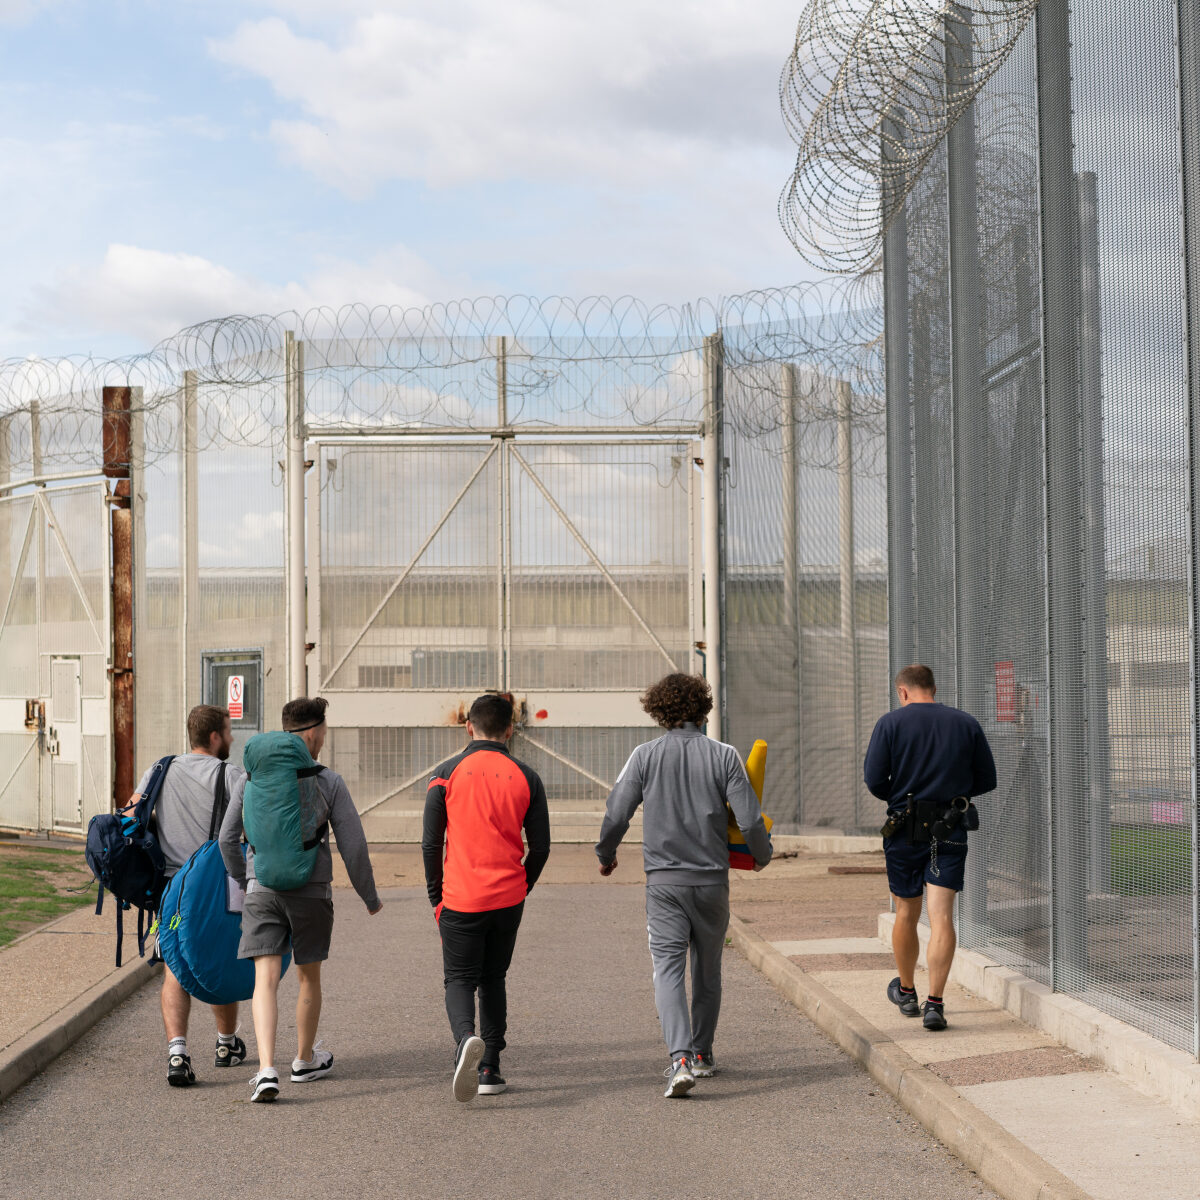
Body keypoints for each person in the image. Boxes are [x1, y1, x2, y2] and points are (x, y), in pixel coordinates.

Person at [595, 672, 772, 1098]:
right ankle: (703, 1053)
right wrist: (761, 855)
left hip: (664, 884)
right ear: (703, 709)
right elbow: (748, 819)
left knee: (668, 971)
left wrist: (606, 853)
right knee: (707, 970)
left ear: (659, 710)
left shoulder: (644, 755)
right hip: (712, 882)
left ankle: (679, 1060)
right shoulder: (725, 756)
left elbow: (617, 813)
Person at [219, 696, 382, 1103]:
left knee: (264, 980)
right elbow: (354, 846)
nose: (323, 739)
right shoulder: (328, 781)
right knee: (308, 977)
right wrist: (369, 896)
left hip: (262, 889)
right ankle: (305, 1060)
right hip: (311, 892)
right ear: (313, 732)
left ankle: (265, 1069)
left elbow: (226, 838)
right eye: (323, 732)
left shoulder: (250, 778)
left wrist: (246, 878)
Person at [422, 693, 550, 1103]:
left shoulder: (446, 774)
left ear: (468, 727)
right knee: (494, 978)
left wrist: (434, 895)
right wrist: (522, 886)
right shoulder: (527, 776)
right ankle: (491, 1067)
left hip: (461, 898)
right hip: (508, 898)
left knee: (459, 978)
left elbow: (430, 844)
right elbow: (542, 847)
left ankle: (465, 1043)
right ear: (510, 730)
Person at [864, 664, 997, 1031]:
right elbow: (987, 779)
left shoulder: (890, 724)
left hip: (904, 830)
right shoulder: (965, 723)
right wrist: (953, 793)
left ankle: (906, 992)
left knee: (906, 913)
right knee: (942, 918)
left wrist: (902, 796)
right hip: (949, 831)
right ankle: (935, 1004)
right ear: (933, 689)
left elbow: (875, 780)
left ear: (902, 692)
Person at [126, 704, 246, 1087]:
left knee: (175, 967)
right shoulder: (231, 775)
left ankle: (178, 1053)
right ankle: (225, 1044)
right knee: (221, 959)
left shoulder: (160, 769)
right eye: (227, 732)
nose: (230, 739)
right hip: (215, 890)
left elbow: (130, 814)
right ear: (214, 737)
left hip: (171, 892)